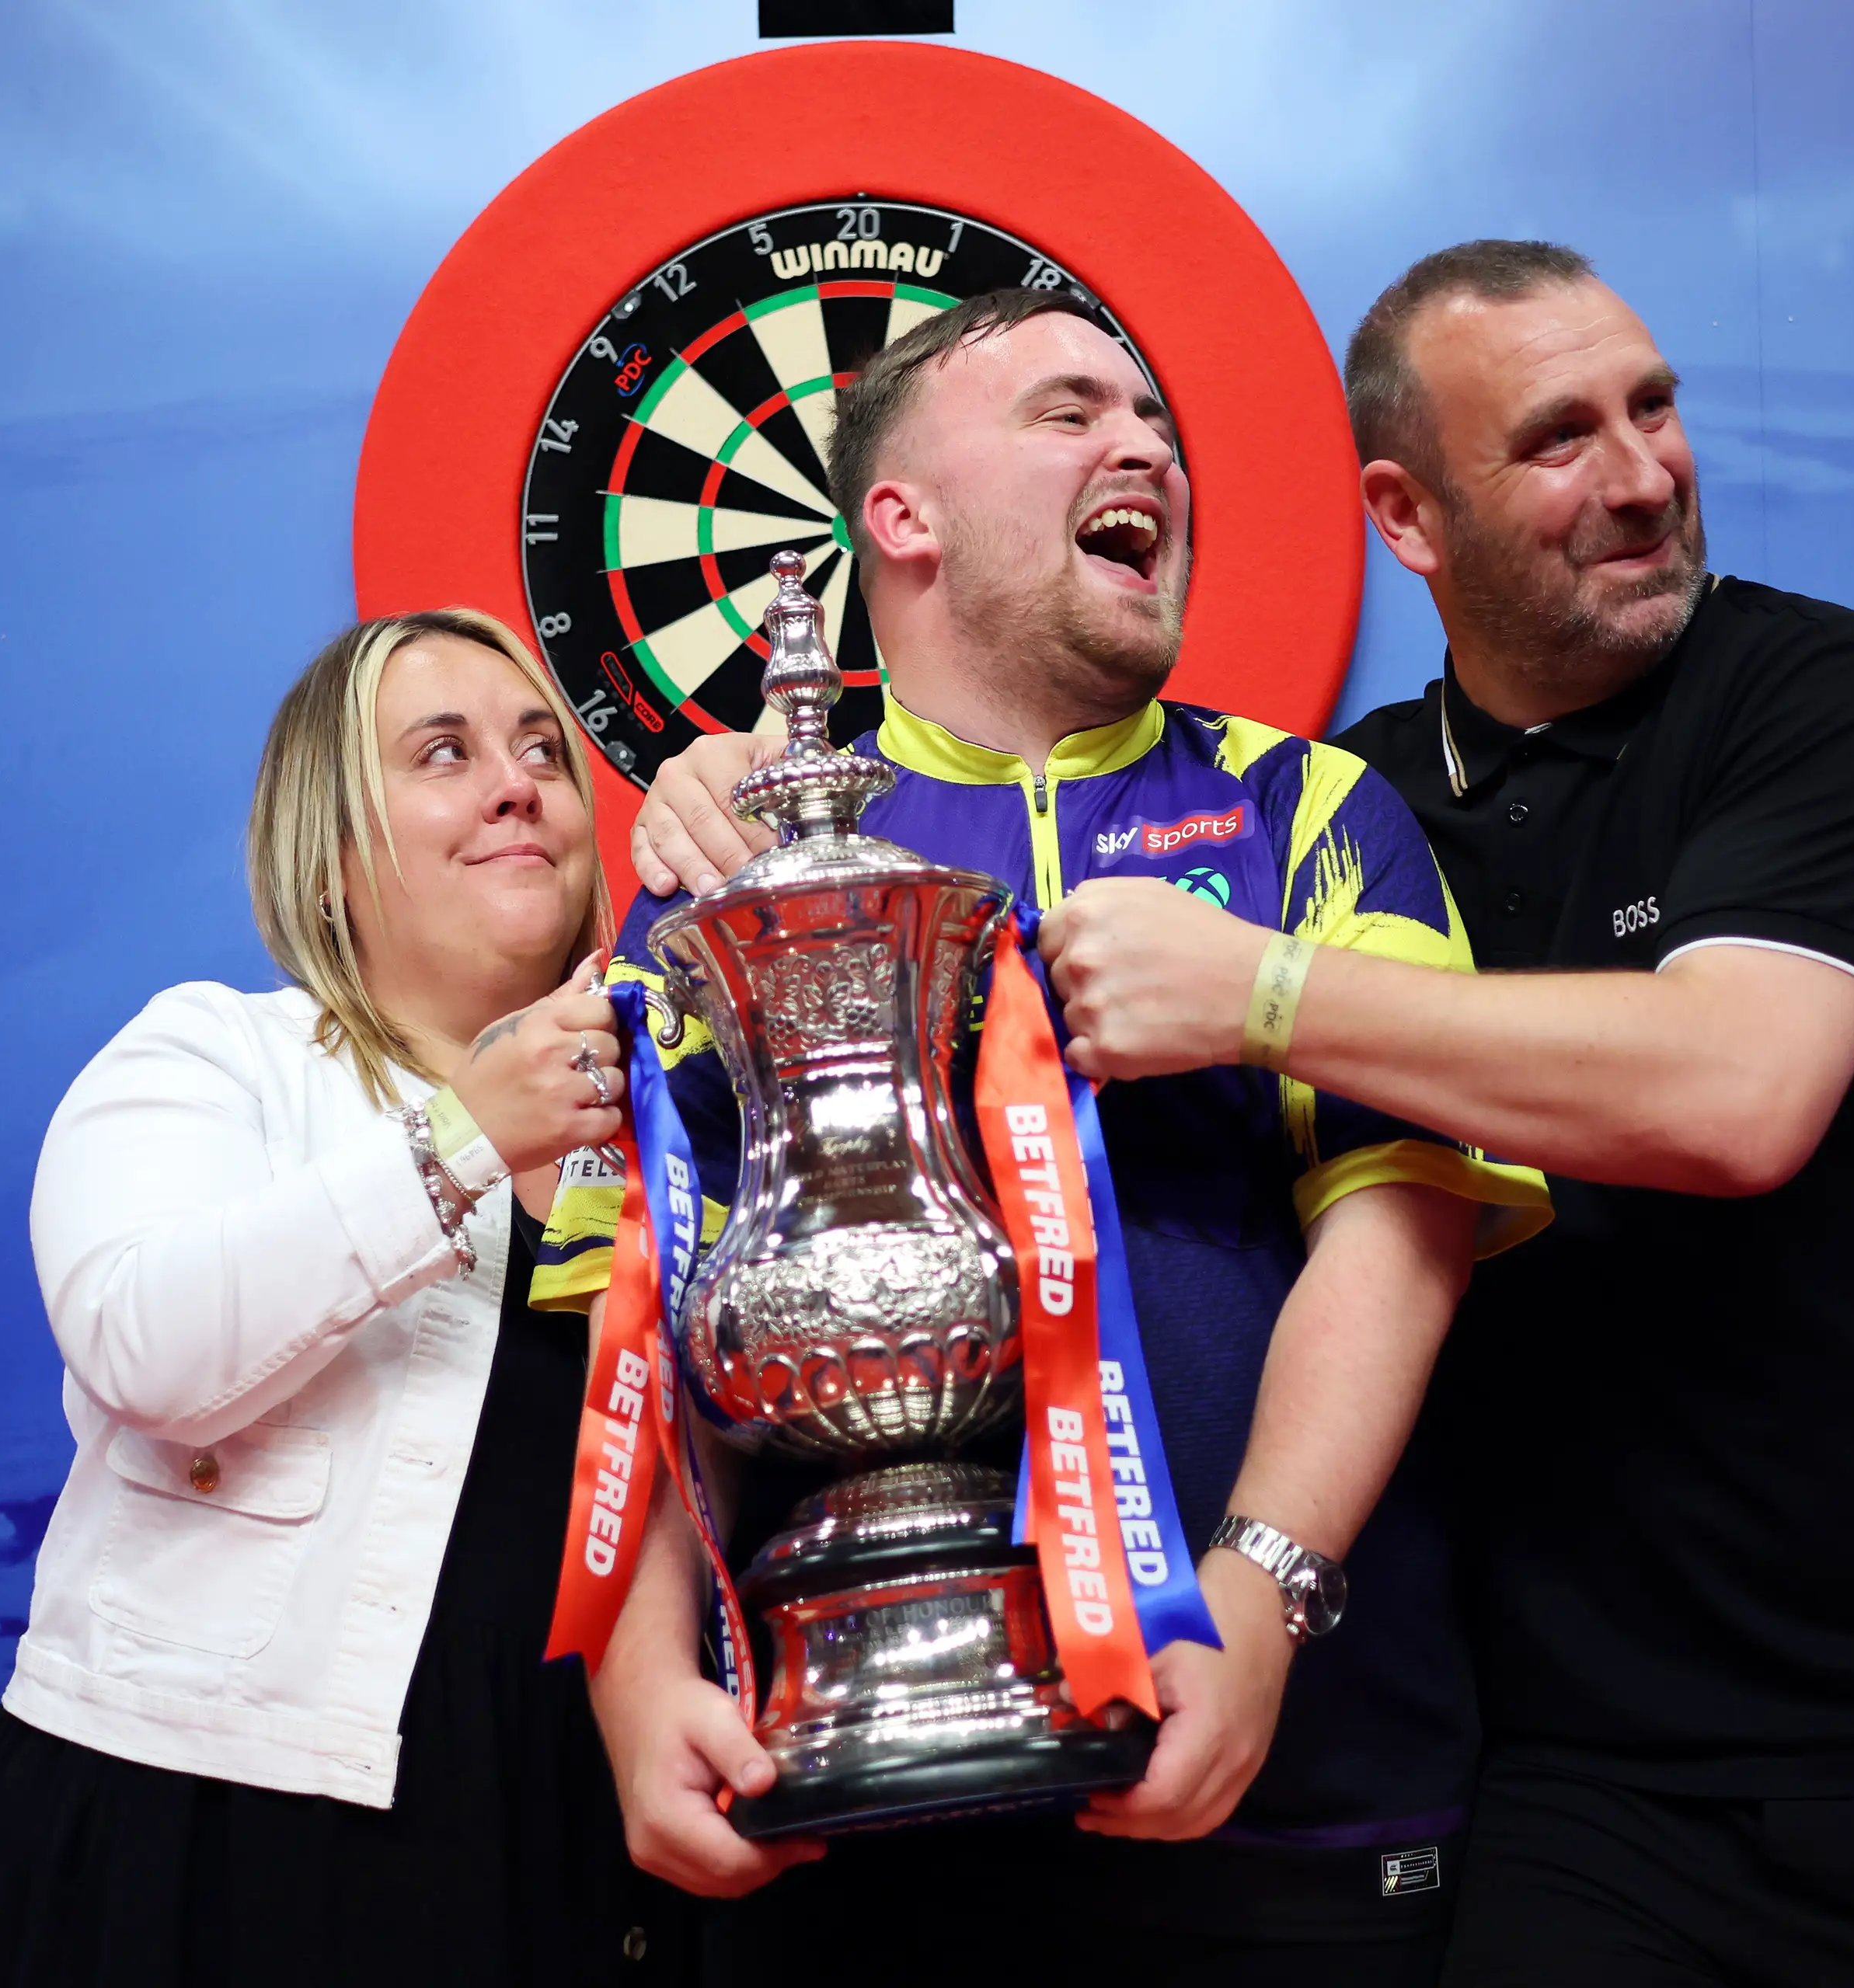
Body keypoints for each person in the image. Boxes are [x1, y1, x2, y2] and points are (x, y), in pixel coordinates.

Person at [633, 241, 1854, 1984]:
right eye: (1561, 437)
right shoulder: (1367, 783)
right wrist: (750, 790)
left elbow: (1734, 1095)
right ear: (1409, 518)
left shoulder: (1784, 703)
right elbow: (644, 1297)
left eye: (1655, 408)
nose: (1642, 474)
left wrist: (1253, 996)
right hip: (1599, 1755)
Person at [562, 287, 1549, 1988]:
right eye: (1068, 410)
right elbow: (637, 1315)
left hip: (1290, 1788)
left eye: (1157, 417)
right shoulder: (728, 880)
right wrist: (642, 1682)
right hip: (845, 1817)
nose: (1145, 443)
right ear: (901, 515)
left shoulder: (1307, 809)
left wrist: (1263, 1596)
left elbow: (1403, 1226)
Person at [0, 608, 692, 1986]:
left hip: (572, 1827)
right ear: (332, 851)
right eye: (443, 752)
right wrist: (467, 1133)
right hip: (211, 1823)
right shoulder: (216, 1055)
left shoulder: (678, 1125)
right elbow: (142, 1347)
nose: (518, 780)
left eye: (542, 748)